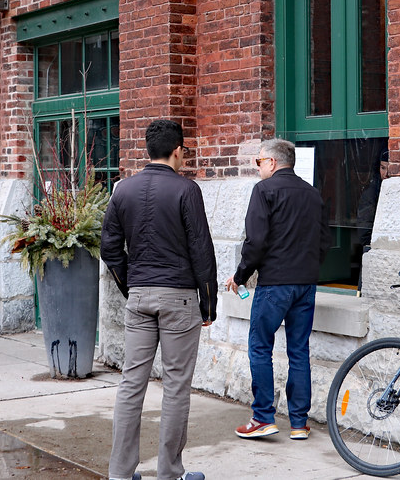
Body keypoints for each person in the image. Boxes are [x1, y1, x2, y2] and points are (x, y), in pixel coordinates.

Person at [101, 119, 217, 480]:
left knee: (131, 383)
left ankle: (120, 473)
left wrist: (130, 286)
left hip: (139, 296)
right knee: (176, 385)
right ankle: (169, 472)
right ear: (177, 151)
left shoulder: (122, 190)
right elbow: (201, 250)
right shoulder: (187, 190)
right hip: (180, 298)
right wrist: (208, 303)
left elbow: (109, 248)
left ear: (147, 151)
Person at [225, 138, 330, 442]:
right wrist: (308, 268)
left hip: (274, 284)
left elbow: (255, 242)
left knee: (260, 347)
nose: (258, 168)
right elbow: (324, 241)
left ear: (271, 162)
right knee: (299, 351)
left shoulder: (264, 190)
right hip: (305, 284)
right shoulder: (312, 194)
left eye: (259, 162)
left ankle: (262, 418)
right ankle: (299, 422)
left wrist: (241, 275)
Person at [356, 149, 389, 248]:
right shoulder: (371, 193)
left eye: (389, 168)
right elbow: (364, 227)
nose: (386, 174)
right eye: (383, 168)